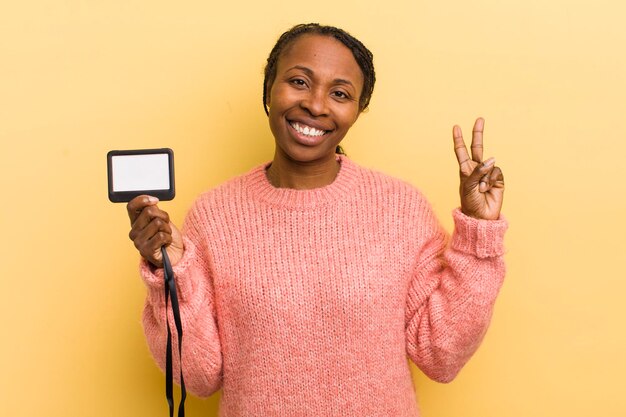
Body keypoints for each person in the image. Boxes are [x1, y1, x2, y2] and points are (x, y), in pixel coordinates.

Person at [126, 23, 507, 416]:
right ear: (268, 90)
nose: (317, 105)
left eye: (340, 93)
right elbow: (199, 377)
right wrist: (168, 272)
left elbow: (440, 356)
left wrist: (478, 239)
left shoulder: (401, 209)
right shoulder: (213, 216)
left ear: (358, 110)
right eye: (299, 81)